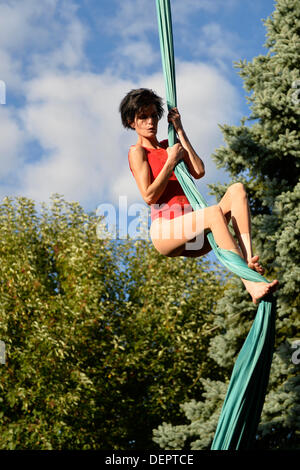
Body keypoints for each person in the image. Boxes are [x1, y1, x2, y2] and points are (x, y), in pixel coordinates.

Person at [119, 88, 278, 304]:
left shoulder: (170, 145)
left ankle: (249, 260)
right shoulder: (137, 152)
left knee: (237, 190)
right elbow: (149, 196)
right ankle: (251, 285)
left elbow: (199, 170)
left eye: (153, 116)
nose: (150, 122)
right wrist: (170, 162)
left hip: (197, 233)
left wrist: (180, 131)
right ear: (131, 122)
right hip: (167, 232)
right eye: (143, 117)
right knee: (212, 213)